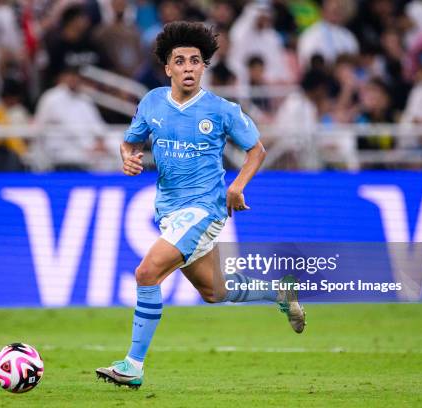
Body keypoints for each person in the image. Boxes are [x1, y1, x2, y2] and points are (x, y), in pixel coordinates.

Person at [95, 21, 306, 389]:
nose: (188, 67)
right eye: (180, 61)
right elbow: (130, 143)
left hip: (205, 209)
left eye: (195, 60)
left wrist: (236, 187)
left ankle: (132, 365)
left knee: (146, 274)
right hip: (169, 211)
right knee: (215, 293)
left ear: (204, 66)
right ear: (168, 68)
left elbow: (256, 151)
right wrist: (127, 157)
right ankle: (279, 293)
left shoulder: (221, 110)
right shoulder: (151, 103)